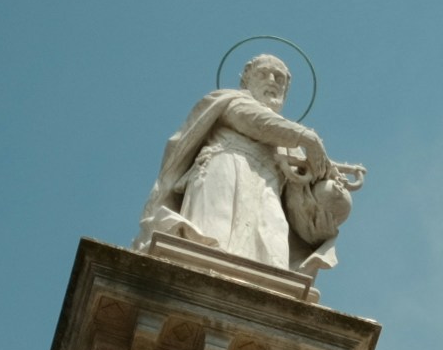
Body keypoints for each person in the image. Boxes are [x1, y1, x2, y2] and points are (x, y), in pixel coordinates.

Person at [140, 54, 364, 277]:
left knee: (272, 255)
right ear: (246, 79)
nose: (272, 80)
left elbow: (298, 215)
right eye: (263, 73)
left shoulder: (291, 145)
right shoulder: (227, 100)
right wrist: (308, 139)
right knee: (212, 242)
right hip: (225, 169)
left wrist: (321, 213)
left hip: (268, 189)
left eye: (279, 78)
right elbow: (253, 120)